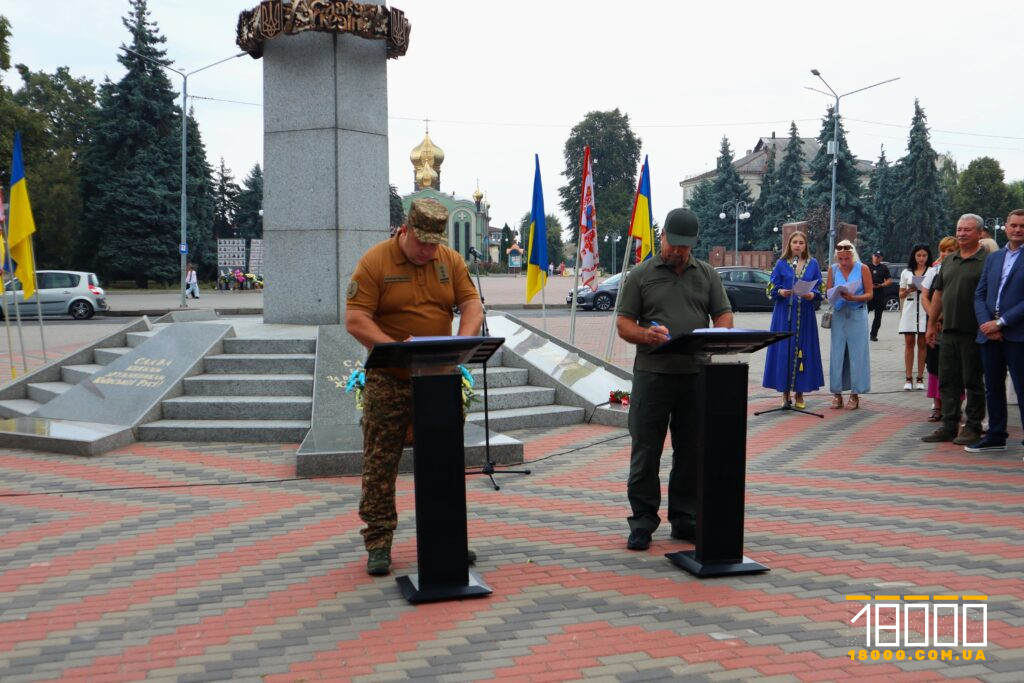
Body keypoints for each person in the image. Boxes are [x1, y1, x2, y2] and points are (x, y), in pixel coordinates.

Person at [345, 198, 484, 576]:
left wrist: (461, 345)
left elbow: (472, 305)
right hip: (389, 379)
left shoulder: (449, 261)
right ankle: (378, 541)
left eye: (433, 244)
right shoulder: (376, 261)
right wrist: (395, 351)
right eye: (421, 242)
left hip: (438, 378)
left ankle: (447, 537)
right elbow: (356, 319)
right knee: (380, 461)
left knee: (444, 460)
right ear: (405, 230)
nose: (427, 251)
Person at [615, 208, 733, 550]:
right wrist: (646, 335)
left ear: (693, 244)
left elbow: (724, 315)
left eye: (684, 247)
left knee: (692, 452)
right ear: (662, 236)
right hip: (653, 376)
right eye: (673, 244)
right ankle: (642, 521)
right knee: (645, 451)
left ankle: (685, 519)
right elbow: (623, 324)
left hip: (696, 376)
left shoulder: (706, 275)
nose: (677, 252)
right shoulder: (641, 274)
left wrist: (717, 336)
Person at [923, 214, 989, 445]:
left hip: (974, 331)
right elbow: (938, 294)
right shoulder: (949, 260)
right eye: (959, 229)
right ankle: (949, 425)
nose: (961, 234)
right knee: (947, 380)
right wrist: (931, 324)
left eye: (967, 230)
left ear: (980, 233)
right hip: (948, 330)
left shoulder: (988, 260)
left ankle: (973, 426)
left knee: (972, 381)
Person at [968, 209, 1024, 452]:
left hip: (1017, 334)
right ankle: (996, 435)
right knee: (992, 386)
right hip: (988, 333)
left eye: (1022, 226)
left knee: (1022, 388)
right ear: (1006, 227)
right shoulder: (994, 257)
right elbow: (980, 294)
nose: (1017, 229)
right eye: (1013, 225)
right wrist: (986, 324)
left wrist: (1001, 323)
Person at [762, 231, 824, 408]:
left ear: (805, 246)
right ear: (789, 244)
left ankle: (800, 394)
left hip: (805, 315)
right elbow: (770, 288)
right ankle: (785, 394)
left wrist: (813, 294)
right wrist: (780, 291)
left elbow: (820, 287)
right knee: (785, 351)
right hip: (784, 314)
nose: (798, 245)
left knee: (803, 351)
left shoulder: (813, 264)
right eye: (795, 242)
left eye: (801, 242)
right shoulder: (781, 263)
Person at [825, 240, 873, 410]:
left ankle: (855, 393)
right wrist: (833, 295)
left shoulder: (863, 268)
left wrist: (854, 297)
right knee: (837, 354)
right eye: (840, 259)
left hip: (857, 313)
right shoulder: (833, 269)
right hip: (839, 314)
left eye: (847, 259)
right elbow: (828, 292)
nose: (843, 262)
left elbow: (870, 294)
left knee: (857, 354)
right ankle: (837, 393)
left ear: (853, 255)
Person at [921, 237, 957, 421]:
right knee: (934, 365)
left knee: (954, 367)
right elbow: (925, 296)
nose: (946, 254)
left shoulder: (959, 269)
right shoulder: (933, 271)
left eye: (950, 250)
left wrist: (941, 316)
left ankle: (954, 407)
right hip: (933, 324)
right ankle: (937, 406)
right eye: (943, 250)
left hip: (953, 322)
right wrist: (933, 317)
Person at [899, 244, 933, 391]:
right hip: (910, 310)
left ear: (928, 256)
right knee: (909, 343)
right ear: (914, 256)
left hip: (925, 311)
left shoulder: (932, 271)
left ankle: (920, 378)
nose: (921, 258)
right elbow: (900, 294)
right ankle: (908, 378)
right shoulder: (906, 272)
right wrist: (908, 290)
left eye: (924, 255)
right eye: (918, 255)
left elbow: (935, 292)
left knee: (922, 344)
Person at [867, 250, 892, 341]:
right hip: (868, 293)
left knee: (878, 316)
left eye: (878, 257)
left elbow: (889, 280)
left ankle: (873, 335)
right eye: (875, 256)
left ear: (881, 258)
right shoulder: (867, 266)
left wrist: (882, 285)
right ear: (872, 256)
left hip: (879, 293)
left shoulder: (884, 267)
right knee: (864, 315)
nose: (876, 258)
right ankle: (862, 333)